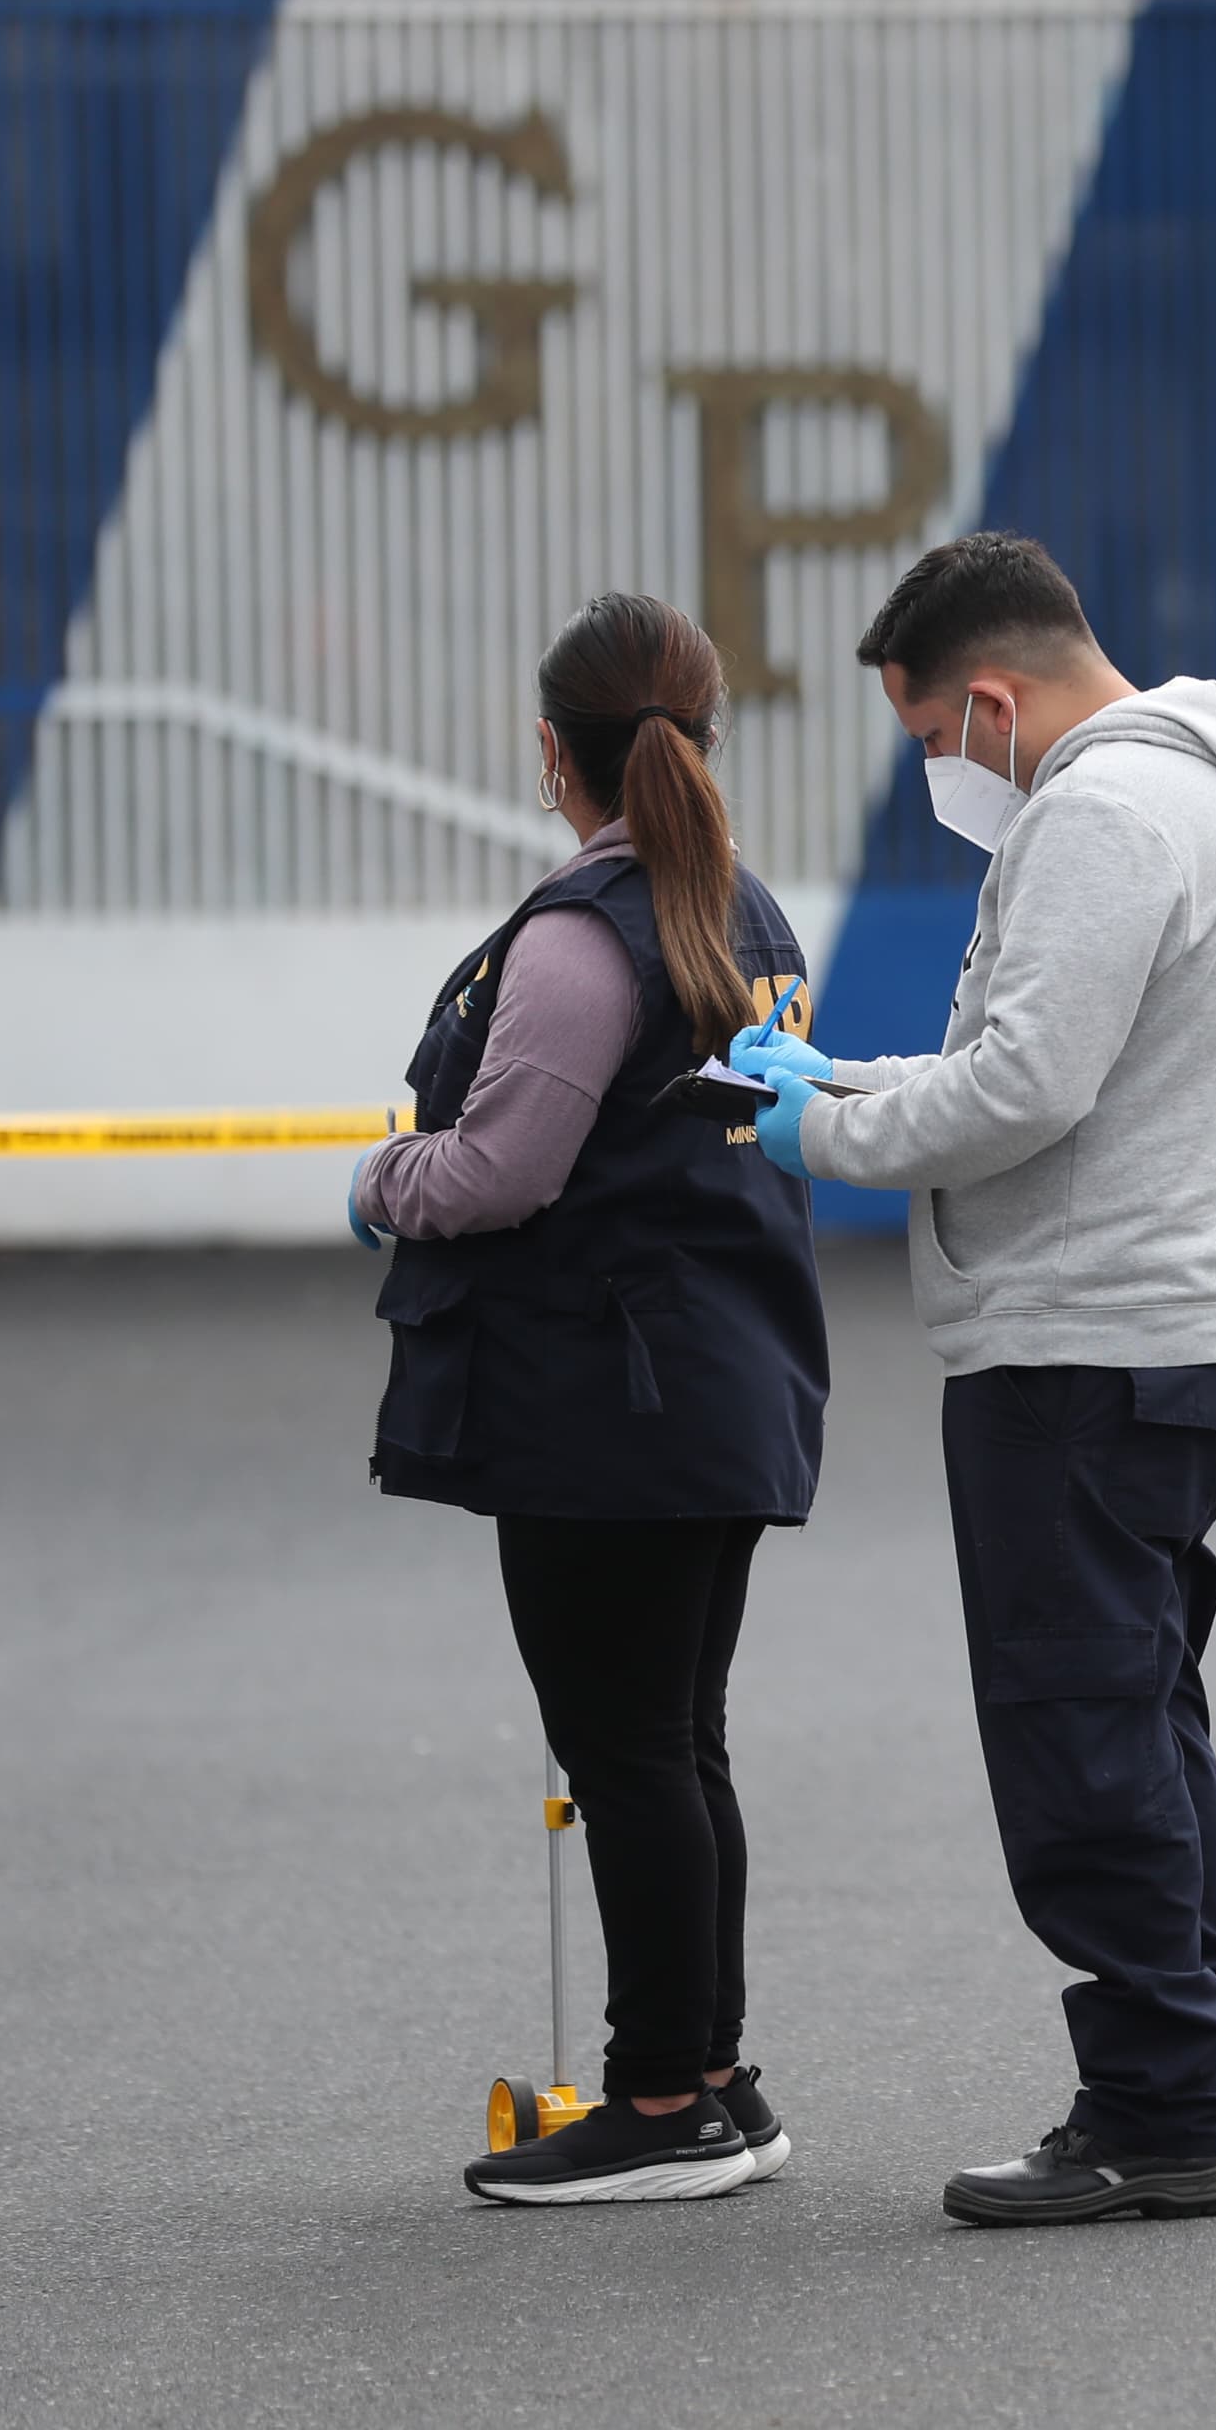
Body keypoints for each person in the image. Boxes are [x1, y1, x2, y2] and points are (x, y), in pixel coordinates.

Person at [726, 532, 1216, 2228]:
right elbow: (1034, 1064)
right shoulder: (1198, 794)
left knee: (1082, 1746)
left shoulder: (1103, 815)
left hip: (1080, 1351)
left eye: (928, 736)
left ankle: (1156, 2111)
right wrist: (859, 1072)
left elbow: (1028, 1087)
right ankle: (1200, 2083)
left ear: (988, 694)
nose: (936, 769)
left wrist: (817, 1127)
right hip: (1160, 1344)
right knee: (1143, 1724)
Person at [356, 590, 832, 2208]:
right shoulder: (749, 915)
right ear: (699, 736)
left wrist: (379, 1174)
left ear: (554, 750)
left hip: (603, 1404)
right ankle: (714, 2081)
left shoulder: (577, 937)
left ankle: (659, 2098)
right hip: (720, 1385)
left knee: (630, 1750)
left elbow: (499, 1171)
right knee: (676, 1744)